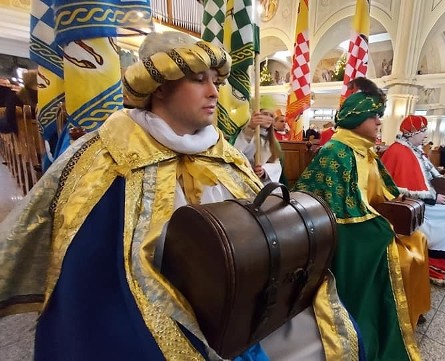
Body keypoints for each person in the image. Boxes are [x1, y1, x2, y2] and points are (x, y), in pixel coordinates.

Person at [0, 32, 362, 360]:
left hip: (239, 300)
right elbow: (91, 276)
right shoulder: (106, 156)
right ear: (159, 86)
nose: (214, 92)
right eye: (198, 79)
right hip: (151, 309)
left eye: (215, 81)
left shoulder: (223, 152)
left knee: (329, 330)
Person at [295, 79, 427, 360]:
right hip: (337, 235)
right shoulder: (336, 152)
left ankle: (411, 314)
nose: (380, 122)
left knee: (419, 240)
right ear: (357, 118)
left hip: (368, 220)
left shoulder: (365, 150)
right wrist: (384, 227)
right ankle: (377, 319)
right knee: (402, 256)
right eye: (374, 116)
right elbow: (340, 213)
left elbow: (383, 191)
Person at [381, 115, 445, 287]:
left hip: (420, 198)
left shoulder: (413, 148)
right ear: (413, 133)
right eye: (423, 131)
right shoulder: (399, 151)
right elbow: (403, 186)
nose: (425, 135)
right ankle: (437, 250)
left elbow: (427, 174)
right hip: (406, 203)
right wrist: (434, 198)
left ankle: (444, 249)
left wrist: (441, 185)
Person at [234, 107, 286, 186]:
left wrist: (265, 171)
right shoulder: (247, 133)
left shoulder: (273, 141)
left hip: (263, 183)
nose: (268, 118)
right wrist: (251, 128)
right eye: (265, 114)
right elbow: (238, 152)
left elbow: (276, 164)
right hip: (245, 180)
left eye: (271, 116)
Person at [0, 69, 38, 134]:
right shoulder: (47, 99)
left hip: (23, 137)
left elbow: (8, 125)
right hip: (43, 138)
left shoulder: (15, 99)